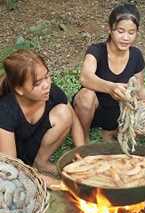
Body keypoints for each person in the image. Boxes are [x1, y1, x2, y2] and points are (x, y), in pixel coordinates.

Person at [0, 49, 85, 177]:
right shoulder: (6, 111)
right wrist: (55, 184)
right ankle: (33, 172)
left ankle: (41, 163)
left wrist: (83, 154)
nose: (46, 85)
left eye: (47, 76)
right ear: (19, 89)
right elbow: (10, 167)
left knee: (65, 112)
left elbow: (73, 118)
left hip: (34, 146)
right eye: (37, 83)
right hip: (12, 156)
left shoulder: (51, 92)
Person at [73, 3, 145, 143]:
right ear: (110, 30)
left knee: (139, 116)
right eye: (120, 31)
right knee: (86, 95)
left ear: (137, 33)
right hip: (95, 109)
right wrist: (111, 87)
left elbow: (139, 87)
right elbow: (85, 77)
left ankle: (114, 133)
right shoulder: (96, 50)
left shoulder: (136, 55)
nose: (126, 38)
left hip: (118, 111)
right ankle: (83, 139)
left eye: (131, 33)